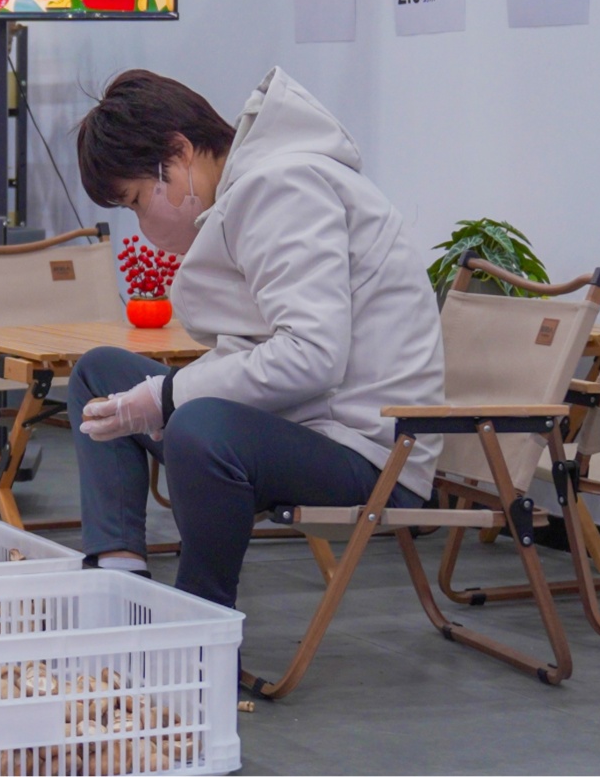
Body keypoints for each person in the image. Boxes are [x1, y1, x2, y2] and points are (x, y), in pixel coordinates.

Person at [69, 68, 444, 609]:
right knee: (99, 374)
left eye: (135, 201)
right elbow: (261, 346)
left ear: (178, 154)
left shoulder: (285, 187)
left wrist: (169, 396)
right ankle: (118, 579)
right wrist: (166, 396)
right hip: (304, 421)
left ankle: (203, 622)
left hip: (364, 450)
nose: (141, 222)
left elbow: (312, 356)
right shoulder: (250, 190)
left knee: (198, 426)